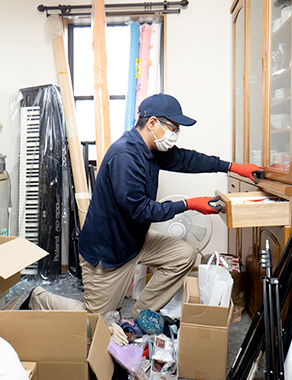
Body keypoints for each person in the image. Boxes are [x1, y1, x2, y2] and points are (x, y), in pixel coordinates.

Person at [27, 93, 263, 320]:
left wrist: (232, 167)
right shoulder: (125, 156)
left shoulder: (151, 149)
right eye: (173, 128)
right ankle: (39, 298)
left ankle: (140, 316)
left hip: (134, 241)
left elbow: (188, 160)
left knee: (184, 256)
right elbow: (142, 210)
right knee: (96, 322)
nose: (175, 135)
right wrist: (190, 204)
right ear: (152, 123)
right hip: (108, 253)